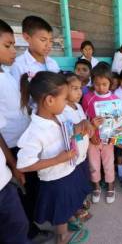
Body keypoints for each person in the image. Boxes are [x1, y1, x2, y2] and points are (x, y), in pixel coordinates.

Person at [17, 71, 91, 244]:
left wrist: (81, 125)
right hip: (56, 181)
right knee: (60, 214)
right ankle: (61, 238)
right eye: (64, 99)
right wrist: (58, 159)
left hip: (68, 172)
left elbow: (67, 131)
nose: (67, 103)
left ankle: (67, 223)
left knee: (68, 206)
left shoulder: (58, 115)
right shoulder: (34, 132)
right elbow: (23, 165)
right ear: (50, 100)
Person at [0, 19, 54, 242]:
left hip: (27, 135)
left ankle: (34, 225)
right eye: (7, 45)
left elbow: (20, 105)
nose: (13, 51)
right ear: (29, 38)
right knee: (26, 188)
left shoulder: (5, 73)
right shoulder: (16, 67)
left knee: (33, 185)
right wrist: (12, 161)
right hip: (12, 143)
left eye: (13, 45)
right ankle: (31, 229)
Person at [59, 72, 93, 222]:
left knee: (83, 181)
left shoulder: (78, 106)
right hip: (73, 157)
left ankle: (79, 202)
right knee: (74, 185)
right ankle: (76, 208)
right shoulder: (62, 111)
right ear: (63, 89)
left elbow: (84, 127)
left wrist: (92, 127)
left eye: (80, 88)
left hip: (83, 154)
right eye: (74, 88)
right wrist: (81, 133)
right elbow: (68, 137)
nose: (80, 92)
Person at [82, 64, 117, 204]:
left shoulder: (115, 99)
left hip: (108, 140)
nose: (101, 87)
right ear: (92, 82)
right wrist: (91, 136)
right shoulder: (87, 98)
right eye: (97, 84)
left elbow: (117, 122)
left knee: (109, 164)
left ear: (110, 82)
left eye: (104, 84)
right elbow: (83, 119)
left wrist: (114, 138)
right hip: (92, 140)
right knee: (93, 165)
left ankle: (111, 186)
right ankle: (96, 186)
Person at [10, 15, 60, 87]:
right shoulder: (18, 66)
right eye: (43, 40)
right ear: (27, 37)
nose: (49, 45)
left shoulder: (52, 63)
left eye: (51, 40)